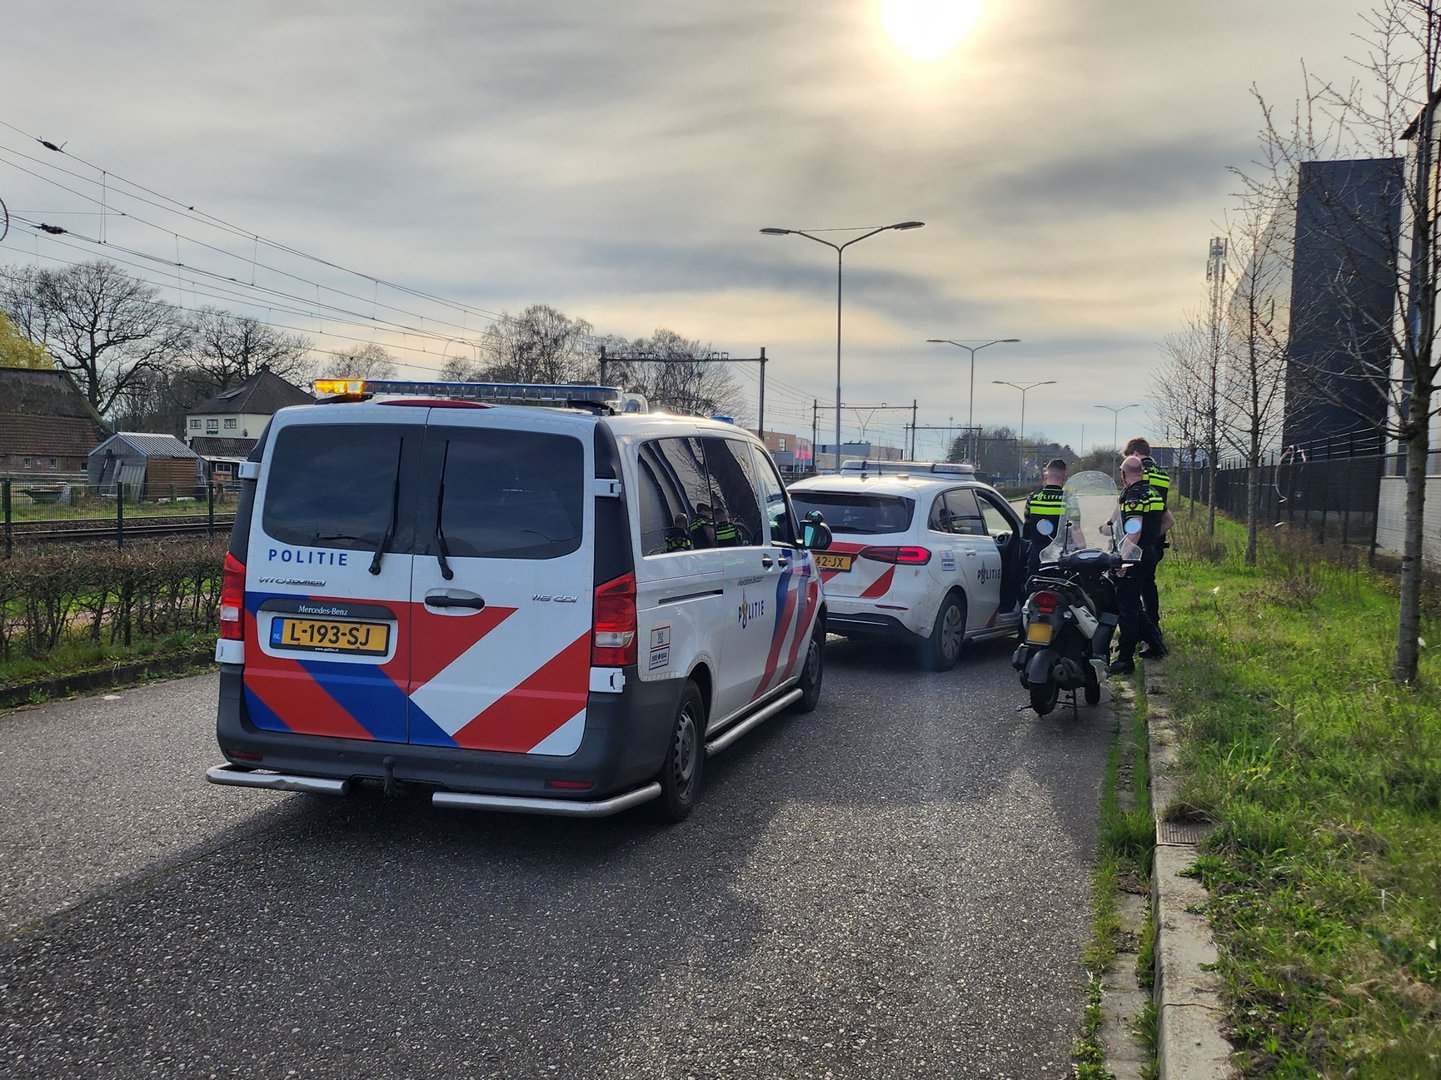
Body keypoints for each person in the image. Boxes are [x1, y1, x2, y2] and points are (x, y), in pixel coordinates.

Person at [1099, 455, 1172, 675]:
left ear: (1124, 474)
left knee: (1127, 610)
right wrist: (1151, 538)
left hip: (1134, 557)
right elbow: (1169, 521)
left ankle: (1125, 660)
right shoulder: (1153, 493)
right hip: (1148, 553)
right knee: (1132, 604)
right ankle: (1157, 646)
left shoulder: (1133, 496)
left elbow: (1134, 532)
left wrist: (1122, 560)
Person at [1123, 436, 1171, 632]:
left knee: (1134, 587)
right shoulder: (1163, 474)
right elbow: (1163, 510)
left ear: (1135, 454)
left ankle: (1145, 629)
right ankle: (1151, 626)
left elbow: (1133, 505)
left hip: (1139, 538)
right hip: (1156, 537)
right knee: (1148, 582)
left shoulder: (1141, 473)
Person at [1022, 458, 1083, 578]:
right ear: (1064, 477)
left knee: (1033, 590)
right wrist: (1083, 550)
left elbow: (1027, 522)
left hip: (1037, 557)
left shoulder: (1033, 498)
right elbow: (1076, 529)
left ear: (1045, 476)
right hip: (1060, 558)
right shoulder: (1069, 500)